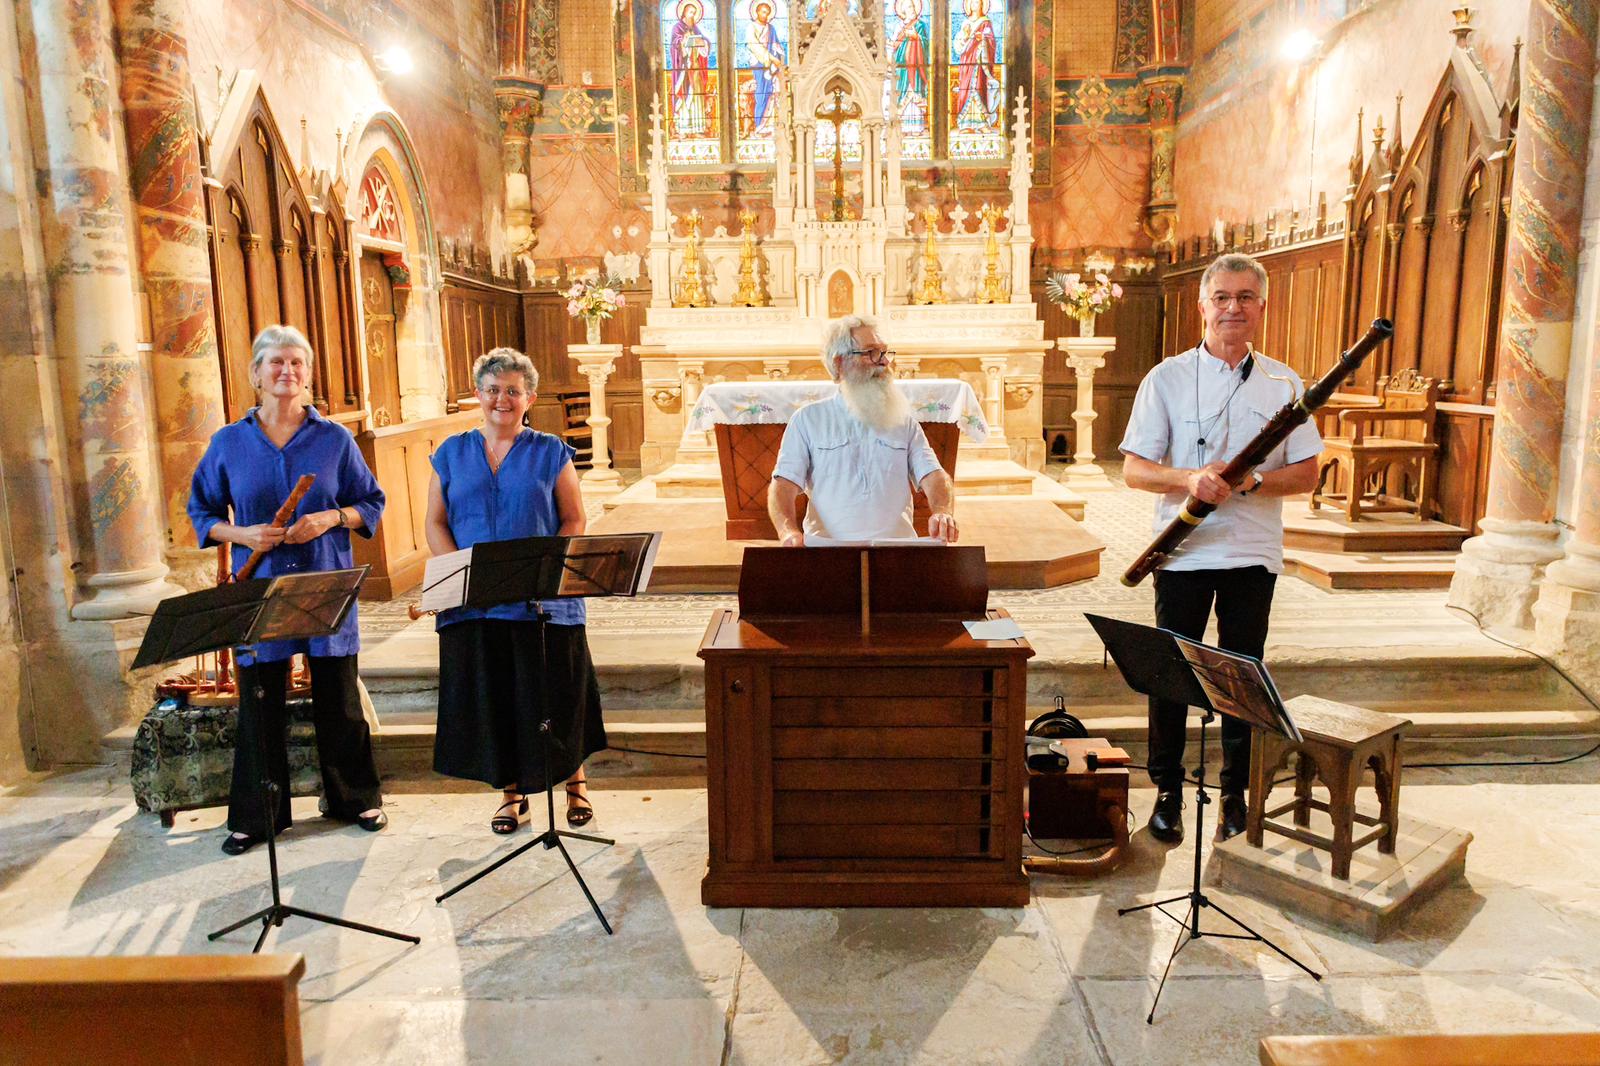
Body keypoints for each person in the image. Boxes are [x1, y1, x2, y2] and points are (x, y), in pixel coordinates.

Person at [1118, 252, 1322, 844]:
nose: (1233, 308)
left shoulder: (1285, 383)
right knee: (1171, 675)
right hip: (1182, 551)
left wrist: (1252, 480)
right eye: (1223, 297)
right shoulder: (1166, 378)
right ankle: (1167, 790)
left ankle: (1236, 794)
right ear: (1202, 305)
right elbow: (1134, 469)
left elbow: (1307, 474)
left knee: (1241, 676)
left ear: (1262, 307)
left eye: (1245, 298)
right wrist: (1189, 479)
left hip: (1251, 553)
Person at [188, 324, 388, 856]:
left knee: (339, 699)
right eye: (276, 362)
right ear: (256, 373)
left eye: (297, 362)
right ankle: (259, 816)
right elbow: (201, 512)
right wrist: (244, 535)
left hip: (324, 583)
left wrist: (330, 518)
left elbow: (371, 502)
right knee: (260, 704)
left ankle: (354, 799)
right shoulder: (229, 443)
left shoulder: (334, 439)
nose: (287, 371)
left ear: (308, 373)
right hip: (260, 590)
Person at [425, 348, 606, 833]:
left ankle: (575, 782)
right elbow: (436, 522)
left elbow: (574, 518)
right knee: (498, 699)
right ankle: (512, 794)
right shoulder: (451, 453)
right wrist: (460, 574)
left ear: (530, 398)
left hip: (540, 599)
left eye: (512, 391)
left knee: (556, 693)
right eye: (492, 390)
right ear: (477, 395)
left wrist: (548, 570)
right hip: (476, 603)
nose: (501, 399)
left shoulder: (550, 451)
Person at [769, 315, 958, 545]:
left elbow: (933, 475)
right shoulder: (808, 420)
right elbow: (784, 483)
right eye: (871, 352)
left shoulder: (903, 422)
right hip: (827, 550)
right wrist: (787, 532)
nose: (884, 361)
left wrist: (942, 511)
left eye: (884, 352)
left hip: (897, 549)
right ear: (839, 362)